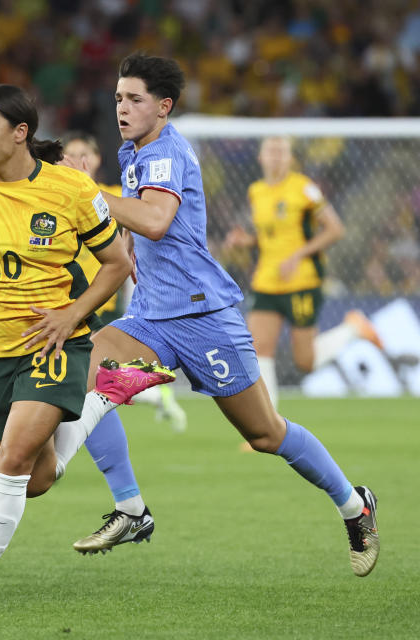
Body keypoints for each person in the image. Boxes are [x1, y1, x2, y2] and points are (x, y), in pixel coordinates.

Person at [60, 53, 379, 578]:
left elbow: (158, 220)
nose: (122, 107)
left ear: (163, 107)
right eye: (118, 97)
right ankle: (131, 509)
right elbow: (139, 226)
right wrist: (125, 247)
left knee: (266, 435)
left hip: (203, 316)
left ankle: (354, 505)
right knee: (87, 374)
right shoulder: (133, 151)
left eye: (134, 99)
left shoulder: (164, 150)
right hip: (151, 317)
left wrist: (86, 192)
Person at [0, 84, 175, 612]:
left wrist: (72, 315)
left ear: (20, 133)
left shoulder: (70, 191)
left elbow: (117, 264)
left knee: (10, 461)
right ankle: (107, 394)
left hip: (56, 345)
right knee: (33, 480)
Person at [225, 136, 383, 409]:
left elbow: (335, 229)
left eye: (281, 151)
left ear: (290, 159)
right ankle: (269, 426)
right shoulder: (256, 191)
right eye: (271, 150)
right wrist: (247, 241)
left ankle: (353, 329)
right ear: (261, 157)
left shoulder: (304, 189)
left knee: (305, 363)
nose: (276, 156)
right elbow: (269, 236)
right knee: (259, 351)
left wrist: (297, 255)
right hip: (266, 280)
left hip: (301, 281)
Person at [64, 132, 187, 433]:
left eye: (86, 153)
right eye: (71, 154)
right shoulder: (58, 197)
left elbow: (142, 222)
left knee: (87, 382)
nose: (80, 161)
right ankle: (154, 390)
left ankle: (154, 392)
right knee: (90, 383)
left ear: (96, 160)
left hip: (98, 297)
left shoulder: (111, 193)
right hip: (65, 298)